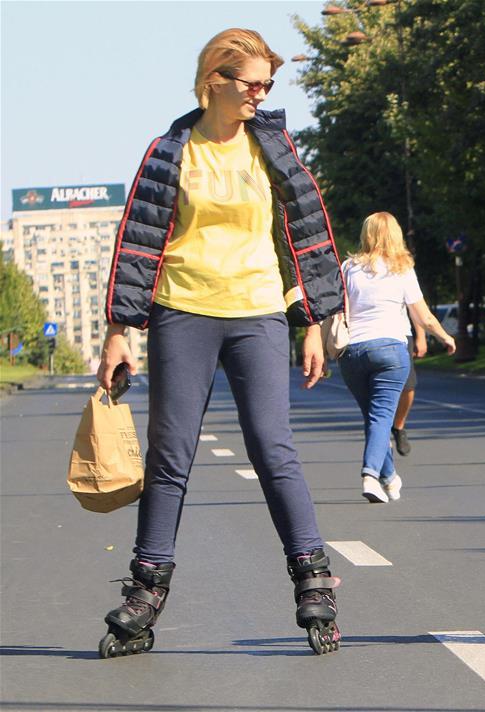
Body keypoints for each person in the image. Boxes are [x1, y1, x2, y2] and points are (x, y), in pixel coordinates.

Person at [96, 29, 344, 657]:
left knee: (273, 446)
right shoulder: (170, 151)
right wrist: (119, 330)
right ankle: (144, 593)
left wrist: (315, 318)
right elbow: (139, 242)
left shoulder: (272, 146)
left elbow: (307, 231)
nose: (261, 95)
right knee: (170, 456)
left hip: (258, 312)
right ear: (214, 81)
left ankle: (314, 584)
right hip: (183, 311)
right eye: (251, 84)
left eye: (268, 84)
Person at [339, 212, 455, 503]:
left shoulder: (348, 268)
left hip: (353, 352)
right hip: (390, 351)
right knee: (380, 417)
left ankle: (389, 477)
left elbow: (339, 312)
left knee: (374, 416)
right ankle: (370, 474)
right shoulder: (402, 269)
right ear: (396, 236)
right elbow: (424, 316)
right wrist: (445, 337)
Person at [391, 319, 427, 456]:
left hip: (401, 335)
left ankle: (398, 426)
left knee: (408, 386)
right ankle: (379, 434)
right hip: (365, 335)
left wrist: (421, 336)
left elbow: (415, 306)